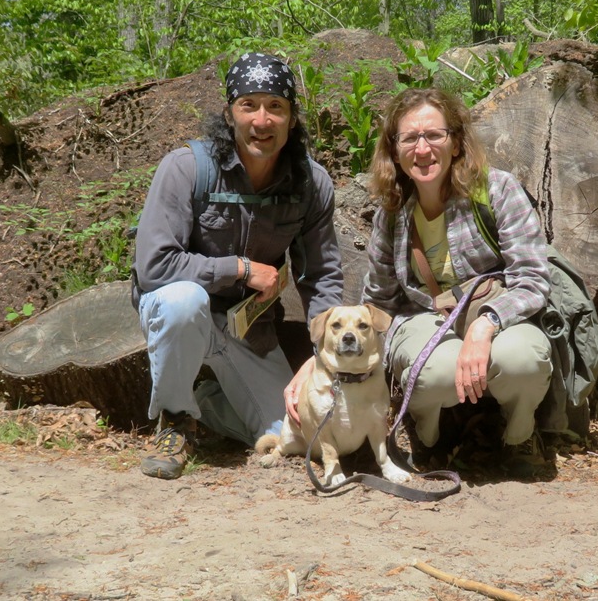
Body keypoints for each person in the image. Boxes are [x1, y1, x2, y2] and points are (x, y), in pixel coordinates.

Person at [131, 52, 343, 480]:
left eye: (275, 107)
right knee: (183, 301)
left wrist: (325, 354)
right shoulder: (186, 168)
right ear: (230, 115)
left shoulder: (311, 183)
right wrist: (242, 269)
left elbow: (321, 275)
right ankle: (175, 420)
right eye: (249, 106)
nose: (261, 120)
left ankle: (208, 402)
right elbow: (155, 266)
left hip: (249, 326)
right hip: (183, 312)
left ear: (293, 118)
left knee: (290, 436)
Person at [359, 87, 553, 477]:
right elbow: (379, 302)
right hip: (425, 316)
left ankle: (519, 436)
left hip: (494, 308)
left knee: (523, 360)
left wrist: (485, 324)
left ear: (457, 143)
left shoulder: (496, 190)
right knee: (431, 373)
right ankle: (429, 434)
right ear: (394, 149)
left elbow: (532, 278)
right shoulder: (393, 213)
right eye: (409, 138)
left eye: (435, 135)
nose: (423, 148)